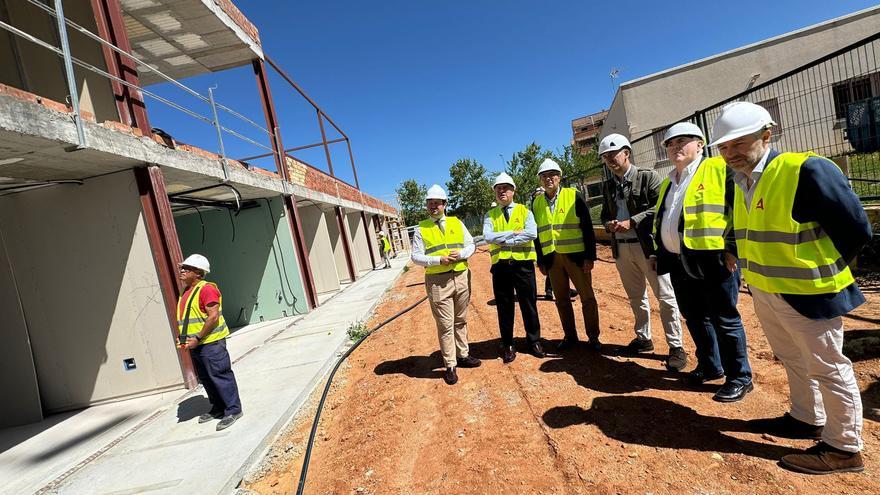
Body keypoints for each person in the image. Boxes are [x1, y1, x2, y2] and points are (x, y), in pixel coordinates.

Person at [712, 101, 871, 474]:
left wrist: (828, 270)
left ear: (766, 135)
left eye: (737, 143)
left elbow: (856, 229)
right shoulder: (740, 181)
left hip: (810, 293)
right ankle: (806, 417)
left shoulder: (804, 169)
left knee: (828, 367)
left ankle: (845, 447)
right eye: (723, 147)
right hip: (766, 289)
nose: (730, 153)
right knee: (793, 359)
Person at [650, 122, 754, 403]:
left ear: (700, 144)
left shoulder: (719, 169)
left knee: (724, 318)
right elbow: (665, 220)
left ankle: (740, 377)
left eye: (682, 141)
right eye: (670, 144)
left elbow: (740, 209)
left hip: (714, 260)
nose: (675, 147)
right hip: (680, 261)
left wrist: (732, 249)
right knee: (695, 317)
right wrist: (658, 251)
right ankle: (710, 366)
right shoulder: (669, 180)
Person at [598, 133, 687, 371]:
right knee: (636, 296)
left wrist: (633, 222)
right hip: (621, 249)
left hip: (648, 248)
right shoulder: (608, 186)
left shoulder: (648, 177)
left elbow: (660, 209)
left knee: (665, 297)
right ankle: (643, 338)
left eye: (613, 154)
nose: (610, 160)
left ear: (626, 152)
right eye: (606, 157)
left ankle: (676, 346)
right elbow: (605, 214)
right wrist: (609, 224)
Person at [411, 184, 481, 385]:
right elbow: (416, 257)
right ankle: (450, 364)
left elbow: (470, 245)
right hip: (438, 282)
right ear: (426, 205)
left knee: (461, 319)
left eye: (437, 203)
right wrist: (437, 260)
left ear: (444, 204)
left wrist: (462, 254)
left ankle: (463, 355)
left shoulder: (456, 222)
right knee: (445, 324)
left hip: (460, 276)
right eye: (430, 203)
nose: (433, 206)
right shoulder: (420, 229)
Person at [533, 158, 601, 352]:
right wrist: (541, 260)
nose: (548, 179)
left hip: (577, 257)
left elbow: (587, 227)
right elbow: (537, 235)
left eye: (552, 174)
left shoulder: (573, 195)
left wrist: (590, 257)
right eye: (544, 176)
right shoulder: (536, 202)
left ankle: (593, 337)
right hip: (552, 259)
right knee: (561, 300)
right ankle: (570, 336)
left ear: (559, 177)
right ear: (540, 179)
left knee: (587, 298)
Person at [177, 254, 243, 431]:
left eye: (186, 268)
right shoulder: (186, 291)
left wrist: (197, 337)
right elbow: (189, 319)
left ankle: (233, 410)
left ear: (198, 272)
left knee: (220, 375)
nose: (182, 271)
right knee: (206, 378)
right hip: (197, 344)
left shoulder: (206, 289)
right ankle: (218, 408)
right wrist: (185, 339)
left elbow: (213, 316)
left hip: (210, 343)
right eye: (181, 268)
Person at [484, 173, 542, 362]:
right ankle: (508, 344)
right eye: (498, 188)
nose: (502, 191)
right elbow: (488, 237)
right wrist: (513, 233)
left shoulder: (525, 211)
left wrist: (506, 240)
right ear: (495, 191)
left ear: (513, 190)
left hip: (523, 266)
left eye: (505, 187)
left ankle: (534, 341)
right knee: (504, 306)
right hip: (501, 267)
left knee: (529, 303)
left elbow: (531, 233)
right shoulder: (489, 215)